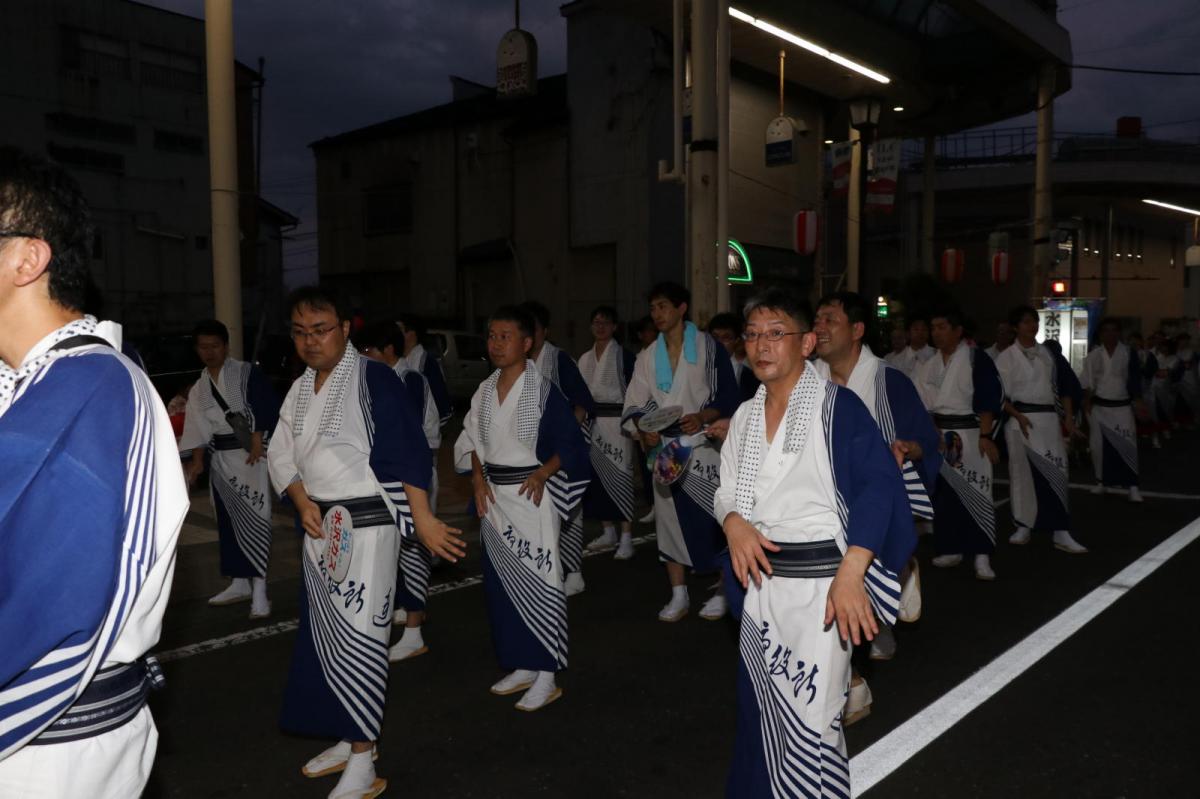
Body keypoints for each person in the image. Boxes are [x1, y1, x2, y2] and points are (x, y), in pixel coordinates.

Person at [0, 147, 188, 797]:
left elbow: (44, 604)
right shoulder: (31, 385)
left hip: (48, 749)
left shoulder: (91, 390)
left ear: (27, 257)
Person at [715, 288, 915, 797]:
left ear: (806, 343)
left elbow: (878, 489)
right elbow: (726, 490)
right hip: (761, 589)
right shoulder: (744, 416)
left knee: (813, 721)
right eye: (752, 335)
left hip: (822, 591)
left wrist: (852, 573)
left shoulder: (838, 407)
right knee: (759, 712)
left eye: (775, 333)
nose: (761, 345)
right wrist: (733, 522)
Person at [268, 286, 465, 799]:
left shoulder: (373, 377)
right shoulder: (300, 388)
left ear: (343, 329)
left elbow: (405, 450)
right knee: (326, 640)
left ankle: (362, 759)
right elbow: (280, 452)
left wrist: (423, 518)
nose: (310, 341)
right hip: (320, 527)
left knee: (363, 639)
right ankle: (349, 737)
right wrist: (301, 500)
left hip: (370, 526)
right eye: (300, 332)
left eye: (320, 330)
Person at [811, 291, 941, 719]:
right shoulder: (807, 379)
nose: (820, 327)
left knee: (852, 578)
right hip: (823, 505)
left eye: (830, 320)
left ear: (857, 330)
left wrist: (908, 448)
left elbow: (926, 441)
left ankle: (893, 582)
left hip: (873, 501)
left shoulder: (889, 381)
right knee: (830, 588)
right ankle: (853, 678)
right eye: (817, 320)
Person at [454, 306, 589, 711]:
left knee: (543, 581)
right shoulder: (484, 390)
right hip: (494, 499)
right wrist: (477, 479)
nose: (496, 344)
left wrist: (544, 473)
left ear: (526, 343)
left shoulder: (543, 390)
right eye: (492, 336)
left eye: (505, 336)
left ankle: (547, 673)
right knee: (502, 585)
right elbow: (471, 441)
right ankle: (522, 663)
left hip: (532, 499)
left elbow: (570, 442)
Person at [622, 282, 739, 622]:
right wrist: (645, 427)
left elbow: (728, 395)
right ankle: (678, 593)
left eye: (663, 306)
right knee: (669, 521)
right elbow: (635, 402)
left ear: (681, 308)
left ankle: (722, 590)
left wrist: (703, 416)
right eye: (653, 308)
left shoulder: (708, 347)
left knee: (714, 517)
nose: (657, 314)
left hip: (703, 443)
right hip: (664, 449)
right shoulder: (647, 356)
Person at [179, 319, 280, 618]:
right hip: (221, 462)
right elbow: (197, 427)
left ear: (226, 347)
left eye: (214, 346)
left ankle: (260, 590)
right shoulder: (199, 387)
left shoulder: (246, 373)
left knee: (256, 519)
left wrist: (258, 441)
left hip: (250, 456)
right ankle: (239, 582)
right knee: (227, 521)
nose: (209, 352)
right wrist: (197, 462)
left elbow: (264, 405)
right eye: (203, 347)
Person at [359, 322, 443, 662]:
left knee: (413, 551)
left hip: (409, 476)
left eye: (369, 350)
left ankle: (413, 630)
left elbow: (410, 436)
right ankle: (400, 608)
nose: (363, 356)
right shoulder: (373, 378)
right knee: (389, 552)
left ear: (388, 351)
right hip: (381, 479)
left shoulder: (409, 380)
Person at [912, 308, 1004, 580]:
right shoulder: (930, 364)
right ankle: (950, 548)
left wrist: (986, 436)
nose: (936, 332)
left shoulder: (975, 358)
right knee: (945, 494)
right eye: (933, 327)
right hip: (941, 435)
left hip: (971, 433)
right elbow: (922, 404)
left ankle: (982, 554)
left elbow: (989, 397)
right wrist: (932, 432)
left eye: (942, 327)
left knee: (978, 490)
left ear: (958, 331)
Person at [994, 307, 1088, 555]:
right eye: (1026, 322)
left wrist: (1069, 420)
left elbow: (1066, 388)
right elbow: (998, 395)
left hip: (1049, 420)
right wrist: (1017, 416)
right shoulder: (1006, 357)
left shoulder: (1049, 354)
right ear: (1015, 327)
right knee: (1021, 474)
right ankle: (1023, 524)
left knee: (1057, 472)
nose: (1032, 326)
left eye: (1034, 321)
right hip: (1020, 420)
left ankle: (1060, 530)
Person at [520, 300, 596, 596]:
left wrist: (566, 436)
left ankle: (574, 572)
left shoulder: (560, 359)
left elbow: (581, 404)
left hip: (562, 449)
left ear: (545, 331)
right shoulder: (518, 364)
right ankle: (547, 570)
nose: (530, 335)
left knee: (568, 509)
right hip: (532, 451)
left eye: (535, 329)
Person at [579, 305, 639, 560]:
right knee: (597, 479)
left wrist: (635, 424)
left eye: (605, 322)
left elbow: (636, 393)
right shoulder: (584, 358)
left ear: (615, 327)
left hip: (618, 424)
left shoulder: (624, 356)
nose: (600, 327)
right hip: (592, 424)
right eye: (596, 322)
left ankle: (626, 536)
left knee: (621, 477)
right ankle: (608, 531)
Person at [1081, 318, 1145, 502]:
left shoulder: (1128, 353)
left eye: (1114, 330)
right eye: (1106, 330)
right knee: (1097, 446)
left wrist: (1138, 401)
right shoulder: (1093, 355)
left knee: (1128, 445)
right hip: (1099, 408)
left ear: (1119, 332)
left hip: (1122, 407)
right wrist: (1086, 402)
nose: (1110, 333)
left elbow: (1134, 379)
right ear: (1101, 334)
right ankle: (1101, 481)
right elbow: (1087, 382)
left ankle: (1132, 486)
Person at [395, 313, 453, 426]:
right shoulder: (398, 360)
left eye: (399, 330)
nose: (394, 335)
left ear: (411, 334)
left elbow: (440, 405)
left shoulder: (427, 364)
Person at [709, 311, 760, 402]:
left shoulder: (746, 374)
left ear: (736, 341)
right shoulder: (699, 367)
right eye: (715, 337)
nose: (719, 343)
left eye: (726, 338)